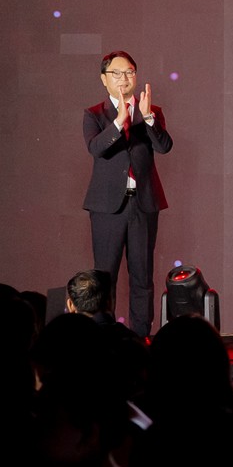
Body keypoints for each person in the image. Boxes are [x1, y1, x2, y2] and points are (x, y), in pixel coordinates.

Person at [82, 50, 171, 337]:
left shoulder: (150, 111)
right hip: (108, 207)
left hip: (143, 203)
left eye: (129, 72)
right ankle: (103, 336)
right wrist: (119, 121)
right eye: (117, 73)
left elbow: (164, 146)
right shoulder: (94, 114)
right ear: (104, 79)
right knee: (104, 276)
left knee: (142, 275)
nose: (124, 79)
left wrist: (147, 117)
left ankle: (141, 337)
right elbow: (96, 148)